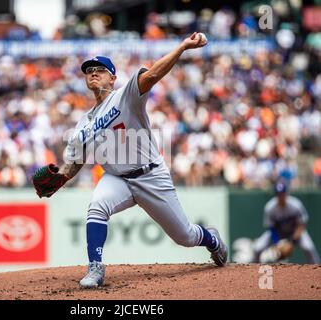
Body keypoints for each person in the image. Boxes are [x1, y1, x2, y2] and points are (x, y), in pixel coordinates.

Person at [32, 32, 228, 288]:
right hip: (116, 178)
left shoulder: (125, 96)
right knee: (96, 207)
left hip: (151, 175)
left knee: (185, 236)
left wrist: (182, 47)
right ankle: (95, 268)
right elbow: (76, 160)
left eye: (100, 70)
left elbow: (153, 75)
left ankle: (211, 240)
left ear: (112, 78)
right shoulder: (83, 123)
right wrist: (63, 176)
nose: (93, 73)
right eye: (89, 70)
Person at [252, 181, 320, 264]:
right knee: (257, 248)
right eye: (279, 194)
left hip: (294, 232)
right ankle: (253, 271)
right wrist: (277, 244)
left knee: (309, 248)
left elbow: (301, 225)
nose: (281, 196)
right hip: (278, 233)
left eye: (282, 194)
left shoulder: (296, 205)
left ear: (286, 193)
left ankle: (317, 271)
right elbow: (272, 228)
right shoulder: (270, 207)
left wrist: (291, 242)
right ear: (276, 195)